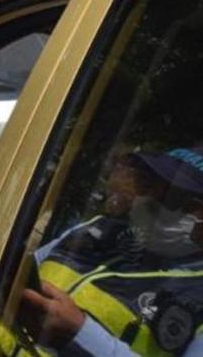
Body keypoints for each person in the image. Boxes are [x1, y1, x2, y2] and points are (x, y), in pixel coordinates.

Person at [14, 147, 203, 355]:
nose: (150, 199)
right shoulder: (96, 231)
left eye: (173, 197)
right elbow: (19, 272)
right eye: (147, 184)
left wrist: (79, 334)